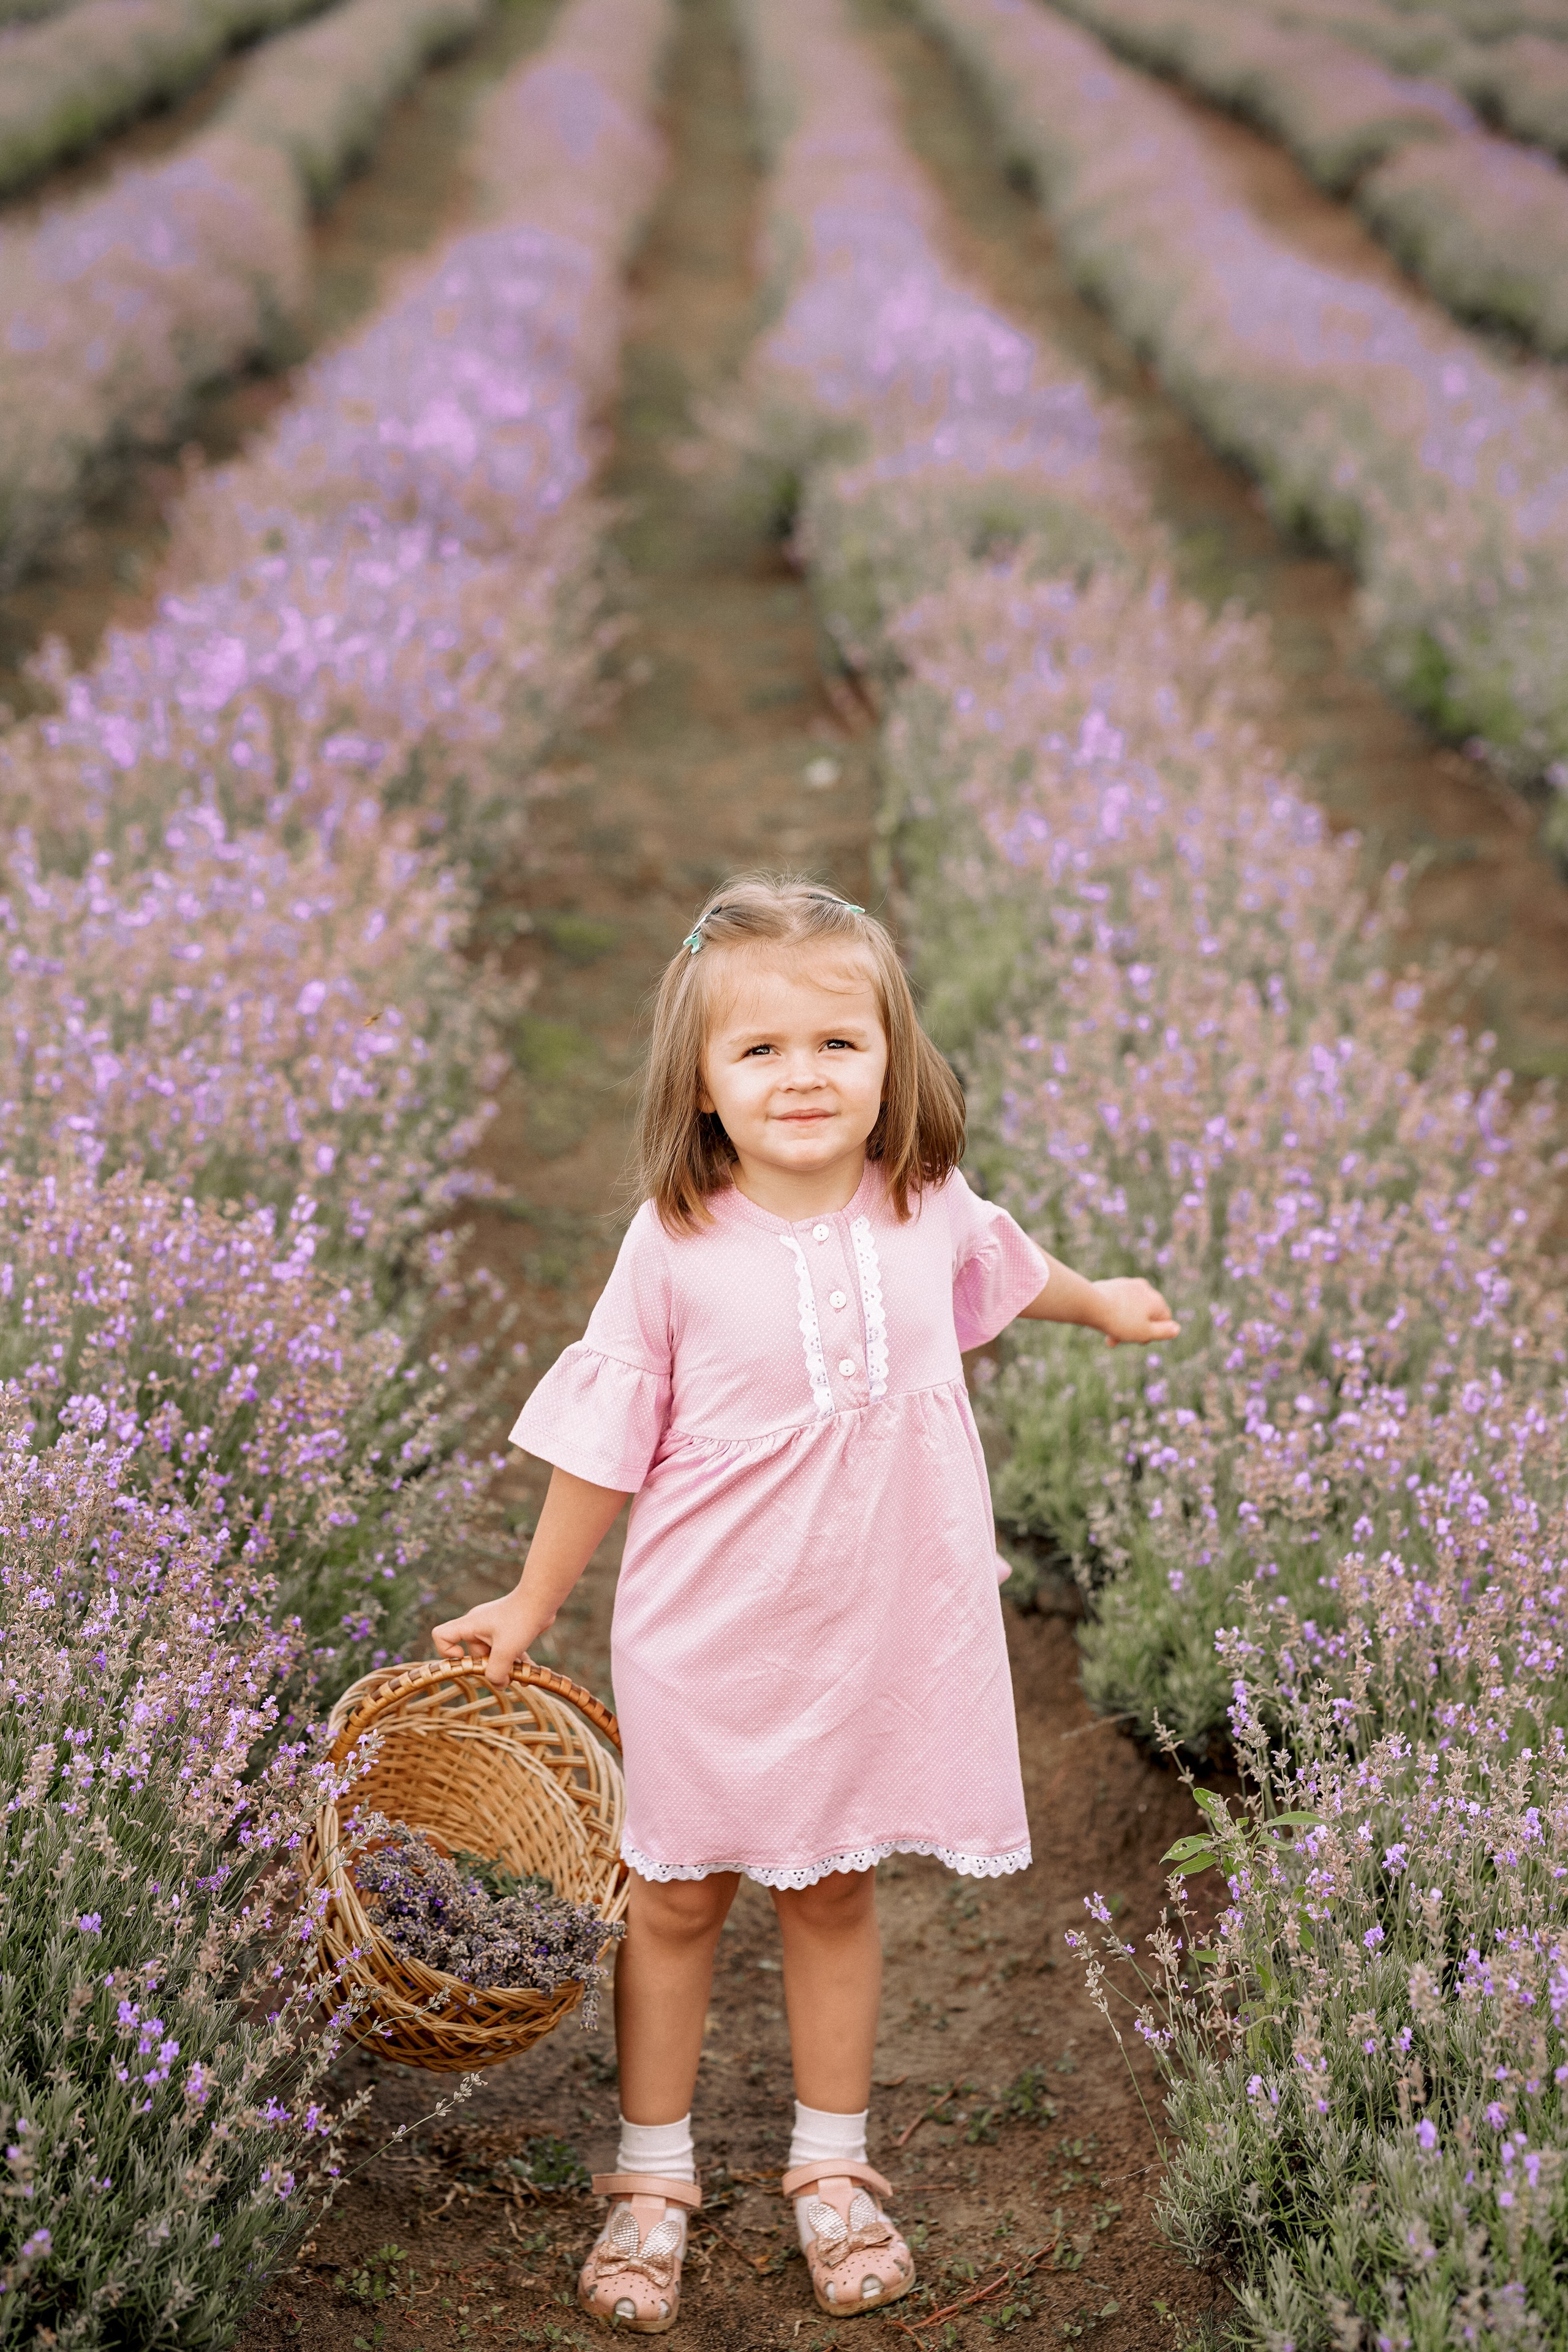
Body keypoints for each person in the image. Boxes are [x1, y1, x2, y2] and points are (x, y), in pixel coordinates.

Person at [433, 875, 1178, 2332]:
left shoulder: (920, 1201)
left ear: (892, 1055)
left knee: (835, 1887)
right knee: (677, 1899)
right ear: (699, 1084)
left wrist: (1096, 1303)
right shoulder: (674, 1244)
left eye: (837, 1043)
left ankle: (829, 2170)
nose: (802, 1077)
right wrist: (529, 1602)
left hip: (885, 1621)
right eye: (758, 1051)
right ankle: (651, 2181)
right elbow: (603, 1443)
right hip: (712, 1635)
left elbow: (1004, 1266)